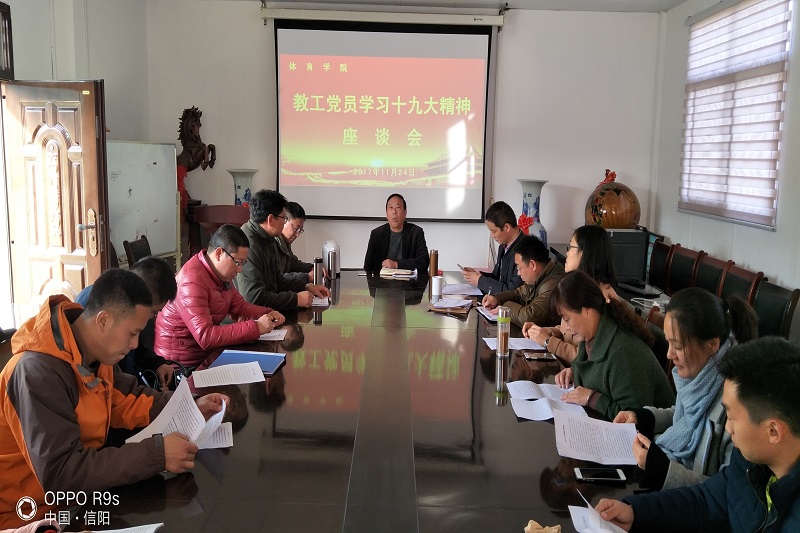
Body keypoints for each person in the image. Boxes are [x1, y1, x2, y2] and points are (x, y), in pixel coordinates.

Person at [0, 269, 228, 528]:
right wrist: (157, 454)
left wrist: (189, 406)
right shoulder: (38, 372)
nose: (135, 345)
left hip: (75, 499)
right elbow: (62, 473)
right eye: (132, 334)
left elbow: (128, 399)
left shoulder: (93, 354)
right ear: (103, 320)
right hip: (28, 515)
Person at [596, 337, 800, 532]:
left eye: (731, 417)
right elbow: (706, 500)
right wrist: (635, 512)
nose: (728, 428)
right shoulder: (748, 463)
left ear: (773, 431)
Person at [614, 288, 759, 490]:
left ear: (712, 345)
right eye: (669, 343)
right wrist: (643, 418)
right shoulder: (701, 374)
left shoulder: (737, 402)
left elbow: (727, 492)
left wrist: (662, 470)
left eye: (678, 346)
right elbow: (685, 417)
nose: (669, 354)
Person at [155, 224, 285, 369]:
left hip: (207, 356)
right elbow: (206, 336)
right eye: (237, 262)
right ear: (219, 253)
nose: (240, 269)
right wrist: (256, 327)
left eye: (243, 263)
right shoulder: (191, 280)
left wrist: (267, 313)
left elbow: (239, 307)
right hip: (184, 366)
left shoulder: (219, 274)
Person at [552, 271, 674, 420]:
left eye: (567, 319)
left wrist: (591, 398)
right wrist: (574, 373)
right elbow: (597, 370)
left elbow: (633, 418)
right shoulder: (590, 336)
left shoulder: (624, 352)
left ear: (587, 310)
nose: (565, 327)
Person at [75, 256, 177, 389]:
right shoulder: (99, 310)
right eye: (153, 311)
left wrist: (156, 363)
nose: (152, 317)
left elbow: (134, 353)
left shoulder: (114, 305)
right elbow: (113, 390)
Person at [523, 225, 618, 362]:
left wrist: (548, 342)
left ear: (584, 253)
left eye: (571, 247)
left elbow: (589, 359)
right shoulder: (579, 288)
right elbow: (568, 332)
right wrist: (544, 332)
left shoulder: (604, 299)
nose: (567, 253)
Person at [237, 189, 329, 309]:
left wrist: (307, 286)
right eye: (284, 218)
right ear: (270, 219)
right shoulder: (248, 245)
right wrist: (296, 299)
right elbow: (254, 298)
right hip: (250, 316)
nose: (284, 222)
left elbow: (278, 281)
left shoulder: (268, 238)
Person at [481, 235, 564, 327]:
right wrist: (496, 299)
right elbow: (519, 294)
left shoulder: (553, 283)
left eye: (519, 267)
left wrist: (507, 307)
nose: (518, 273)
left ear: (533, 265)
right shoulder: (541, 274)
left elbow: (529, 317)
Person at [461, 201, 524, 294]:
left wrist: (480, 281)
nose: (492, 235)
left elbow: (512, 292)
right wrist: (477, 275)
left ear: (506, 227)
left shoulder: (525, 250)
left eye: (494, 231)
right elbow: (497, 278)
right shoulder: (503, 247)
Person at [363, 193, 429, 272]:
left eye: (398, 208)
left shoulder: (416, 232)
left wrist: (397, 264)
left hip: (408, 279)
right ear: (386, 214)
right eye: (391, 208)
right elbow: (368, 266)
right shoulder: (376, 234)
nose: (394, 212)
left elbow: (424, 261)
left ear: (405, 213)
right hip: (382, 279)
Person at [276, 201, 315, 284]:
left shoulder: (284, 242)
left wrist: (313, 267)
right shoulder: (272, 243)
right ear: (284, 221)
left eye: (300, 230)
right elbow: (277, 278)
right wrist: (306, 277)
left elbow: (293, 264)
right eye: (296, 229)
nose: (297, 234)